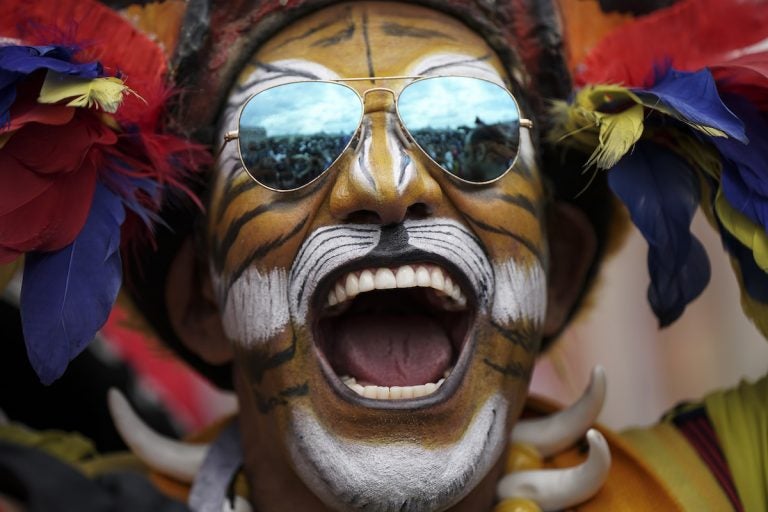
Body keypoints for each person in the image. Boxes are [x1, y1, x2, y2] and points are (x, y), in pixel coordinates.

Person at [1, 0, 767, 511]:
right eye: (289, 139)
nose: (386, 184)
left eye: (470, 127)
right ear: (206, 297)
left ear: (554, 272)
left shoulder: (716, 484)